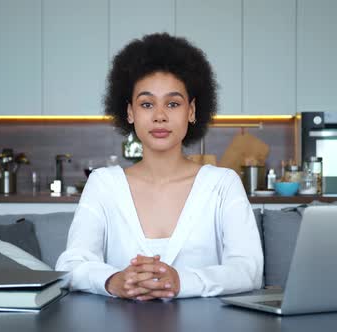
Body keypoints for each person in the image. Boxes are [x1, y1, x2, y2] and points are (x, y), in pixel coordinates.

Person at [56, 33, 263, 300]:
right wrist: (112, 281)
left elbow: (249, 270)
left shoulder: (223, 184)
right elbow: (71, 264)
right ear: (130, 112)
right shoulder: (103, 184)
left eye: (173, 103)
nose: (160, 116)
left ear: (191, 111)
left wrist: (181, 281)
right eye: (147, 104)